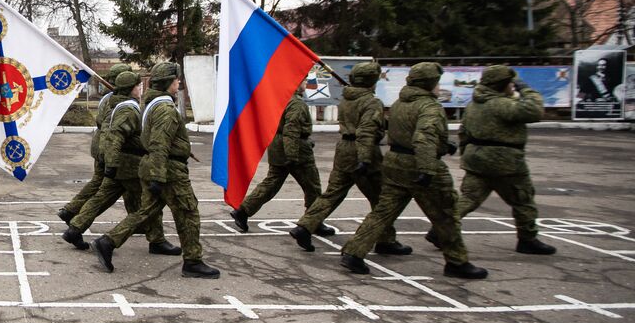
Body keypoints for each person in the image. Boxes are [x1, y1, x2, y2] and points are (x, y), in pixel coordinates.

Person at [337, 62, 486, 279]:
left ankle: (354, 251)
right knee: (445, 215)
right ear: (431, 83)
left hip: (395, 163)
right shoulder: (429, 107)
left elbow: (402, 132)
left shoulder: (399, 104)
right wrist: (427, 168)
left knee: (383, 211)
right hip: (419, 163)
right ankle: (456, 260)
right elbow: (422, 137)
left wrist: (444, 146)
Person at [91, 62, 219, 278]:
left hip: (157, 165)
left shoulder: (155, 104)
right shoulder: (165, 109)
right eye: (176, 79)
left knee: (146, 212)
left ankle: (108, 242)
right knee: (188, 212)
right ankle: (193, 261)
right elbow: (159, 143)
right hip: (168, 170)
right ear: (168, 82)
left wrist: (181, 149)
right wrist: (159, 176)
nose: (179, 82)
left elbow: (157, 139)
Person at [289, 63, 409, 255]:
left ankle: (305, 226)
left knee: (333, 193)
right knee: (381, 199)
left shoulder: (347, 98)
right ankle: (386, 239)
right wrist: (364, 158)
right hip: (363, 150)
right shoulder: (371, 102)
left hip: (344, 148)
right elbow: (367, 131)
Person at [62, 69, 172, 255]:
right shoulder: (128, 109)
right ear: (130, 89)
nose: (140, 88)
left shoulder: (121, 104)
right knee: (151, 201)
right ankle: (156, 240)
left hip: (120, 163)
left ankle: (75, 228)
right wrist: (111, 163)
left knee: (102, 197)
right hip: (128, 164)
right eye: (138, 86)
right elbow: (115, 137)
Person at [455, 65, 556, 255]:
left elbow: (463, 132)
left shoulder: (474, 105)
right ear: (503, 85)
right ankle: (528, 238)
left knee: (469, 198)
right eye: (510, 83)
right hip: (506, 163)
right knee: (522, 199)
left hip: (477, 159)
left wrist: (466, 156)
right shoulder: (502, 104)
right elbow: (534, 110)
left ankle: (441, 230)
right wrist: (524, 87)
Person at [230, 82, 330, 235]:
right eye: (303, 80)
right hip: (295, 149)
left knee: (271, 183)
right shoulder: (296, 103)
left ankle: (243, 211)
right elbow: (292, 129)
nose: (305, 83)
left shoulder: (280, 99)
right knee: (312, 187)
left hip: (277, 145)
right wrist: (291, 154)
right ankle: (313, 222)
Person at [56, 62, 131, 227]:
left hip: (102, 145)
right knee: (110, 187)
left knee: (101, 184)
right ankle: (75, 215)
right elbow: (108, 126)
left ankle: (71, 210)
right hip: (107, 147)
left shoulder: (110, 98)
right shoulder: (115, 100)